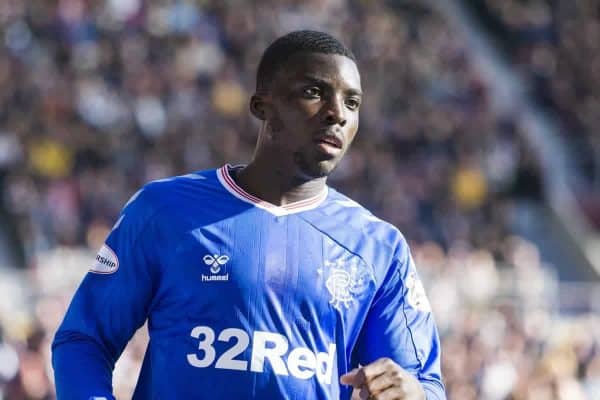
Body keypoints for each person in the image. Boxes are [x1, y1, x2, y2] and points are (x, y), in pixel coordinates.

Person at [52, 30, 446, 400]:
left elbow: (423, 381)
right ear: (263, 105)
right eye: (314, 92)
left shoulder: (378, 246)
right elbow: (84, 341)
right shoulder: (164, 211)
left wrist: (414, 393)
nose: (337, 113)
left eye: (352, 103)